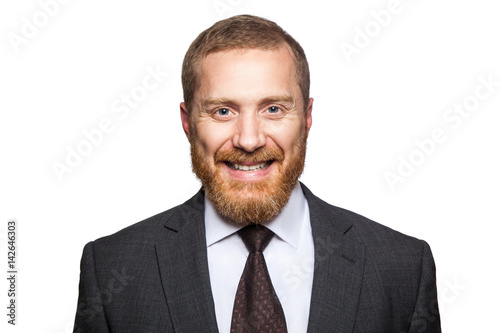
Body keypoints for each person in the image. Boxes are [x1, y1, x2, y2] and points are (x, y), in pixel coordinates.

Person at [74, 15, 441, 333]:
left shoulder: (404, 267)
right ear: (187, 122)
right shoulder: (111, 268)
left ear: (307, 117)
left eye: (274, 108)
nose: (248, 140)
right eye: (222, 111)